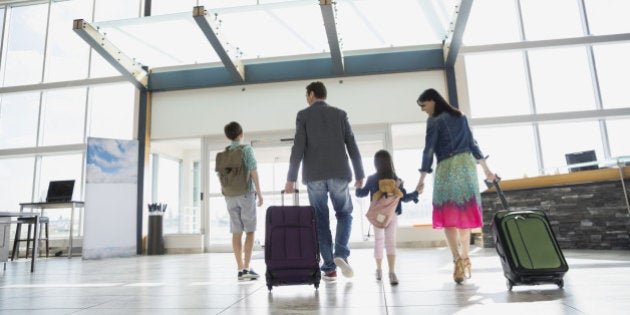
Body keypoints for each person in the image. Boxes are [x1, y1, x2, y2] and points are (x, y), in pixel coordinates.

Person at [414, 88, 497, 284]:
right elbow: (472, 143)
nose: (422, 110)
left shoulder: (434, 120)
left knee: (449, 215)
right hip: (467, 167)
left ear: (433, 101)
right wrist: (486, 170)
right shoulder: (460, 116)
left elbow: (429, 149)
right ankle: (466, 259)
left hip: (448, 167)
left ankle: (457, 261)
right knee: (464, 215)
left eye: (423, 105)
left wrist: (422, 179)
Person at [285, 81, 365, 281]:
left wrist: (290, 178)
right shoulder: (340, 114)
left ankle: (329, 267)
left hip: (314, 176)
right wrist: (360, 174)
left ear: (312, 94)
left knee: (320, 220)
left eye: (307, 95)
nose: (306, 99)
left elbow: (298, 147)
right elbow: (352, 144)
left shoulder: (303, 115)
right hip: (339, 172)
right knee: (344, 214)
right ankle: (341, 254)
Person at [356, 149, 418, 285]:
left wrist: (358, 186)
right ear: (390, 163)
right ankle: (392, 273)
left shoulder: (372, 179)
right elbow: (405, 198)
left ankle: (378, 270)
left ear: (376, 163)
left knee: (379, 241)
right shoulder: (397, 180)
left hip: (377, 215)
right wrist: (416, 193)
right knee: (390, 242)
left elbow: (361, 194)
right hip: (392, 215)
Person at [219, 121, 264, 281]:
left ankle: (239, 269)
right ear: (241, 133)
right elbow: (253, 171)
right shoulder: (246, 149)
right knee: (250, 231)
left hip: (230, 196)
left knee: (236, 232)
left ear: (228, 136)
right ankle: (246, 267)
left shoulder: (225, 153)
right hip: (246, 194)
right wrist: (259, 193)